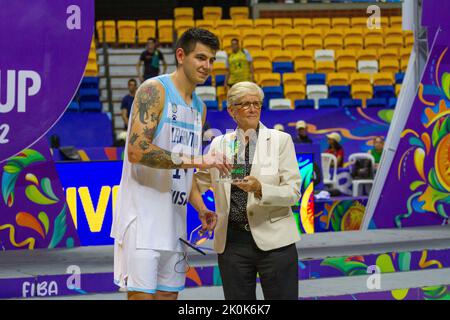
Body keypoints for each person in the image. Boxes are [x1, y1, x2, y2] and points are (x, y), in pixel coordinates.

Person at [111, 28, 231, 301]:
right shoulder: (155, 90)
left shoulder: (200, 108)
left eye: (211, 60)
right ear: (180, 55)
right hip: (143, 218)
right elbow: (136, 152)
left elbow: (183, 168)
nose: (207, 66)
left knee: (169, 297)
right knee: (142, 297)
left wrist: (200, 207)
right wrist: (200, 160)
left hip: (174, 222)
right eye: (200, 58)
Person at [192, 81, 302, 300]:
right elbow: (195, 182)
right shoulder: (218, 144)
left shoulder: (280, 140)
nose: (253, 108)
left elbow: (293, 192)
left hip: (275, 243)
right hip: (232, 244)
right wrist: (202, 208)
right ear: (231, 110)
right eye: (245, 104)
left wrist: (260, 188)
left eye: (257, 103)